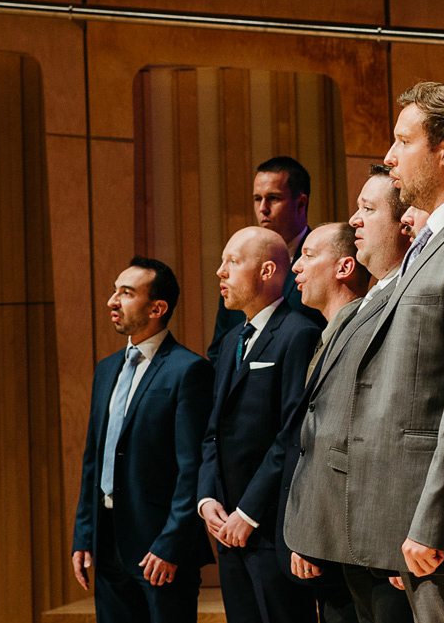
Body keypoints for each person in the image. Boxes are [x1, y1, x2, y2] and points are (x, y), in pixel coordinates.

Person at [292, 81, 444, 621]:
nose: (389, 157)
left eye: (403, 141)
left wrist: (433, 521)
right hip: (423, 537)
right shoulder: (440, 242)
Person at [287, 165, 415, 623]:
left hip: (391, 532)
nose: (355, 219)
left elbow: (407, 425)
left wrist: (410, 527)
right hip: (350, 532)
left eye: (367, 208)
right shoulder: (365, 308)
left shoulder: (406, 299)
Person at [72, 256, 215, 623]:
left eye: (125, 292)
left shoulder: (188, 370)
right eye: (114, 291)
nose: (112, 301)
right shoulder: (106, 369)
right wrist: (84, 536)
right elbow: (94, 458)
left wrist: (170, 544)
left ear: (157, 308)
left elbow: (191, 468)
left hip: (160, 549)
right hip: (107, 546)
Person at [197, 227, 320, 623]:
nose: (220, 271)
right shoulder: (233, 336)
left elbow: (292, 433)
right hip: (226, 527)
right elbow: (213, 428)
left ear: (267, 270)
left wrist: (248, 513)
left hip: (268, 528)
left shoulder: (298, 333)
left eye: (232, 262)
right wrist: (207, 499)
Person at [209, 157, 327, 355]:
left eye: (273, 198)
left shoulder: (323, 260)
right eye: (257, 198)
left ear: (300, 203)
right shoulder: (236, 268)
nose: (263, 208)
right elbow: (219, 349)